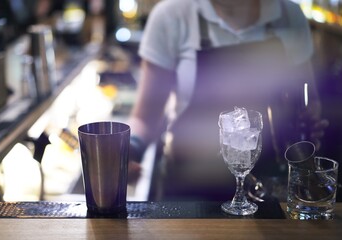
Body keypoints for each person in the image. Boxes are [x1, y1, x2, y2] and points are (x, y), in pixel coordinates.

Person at [127, 0, 329, 201]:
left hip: (268, 189)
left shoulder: (289, 15)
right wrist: (128, 150)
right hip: (190, 187)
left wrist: (307, 130)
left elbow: (307, 102)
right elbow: (146, 117)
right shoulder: (172, 15)